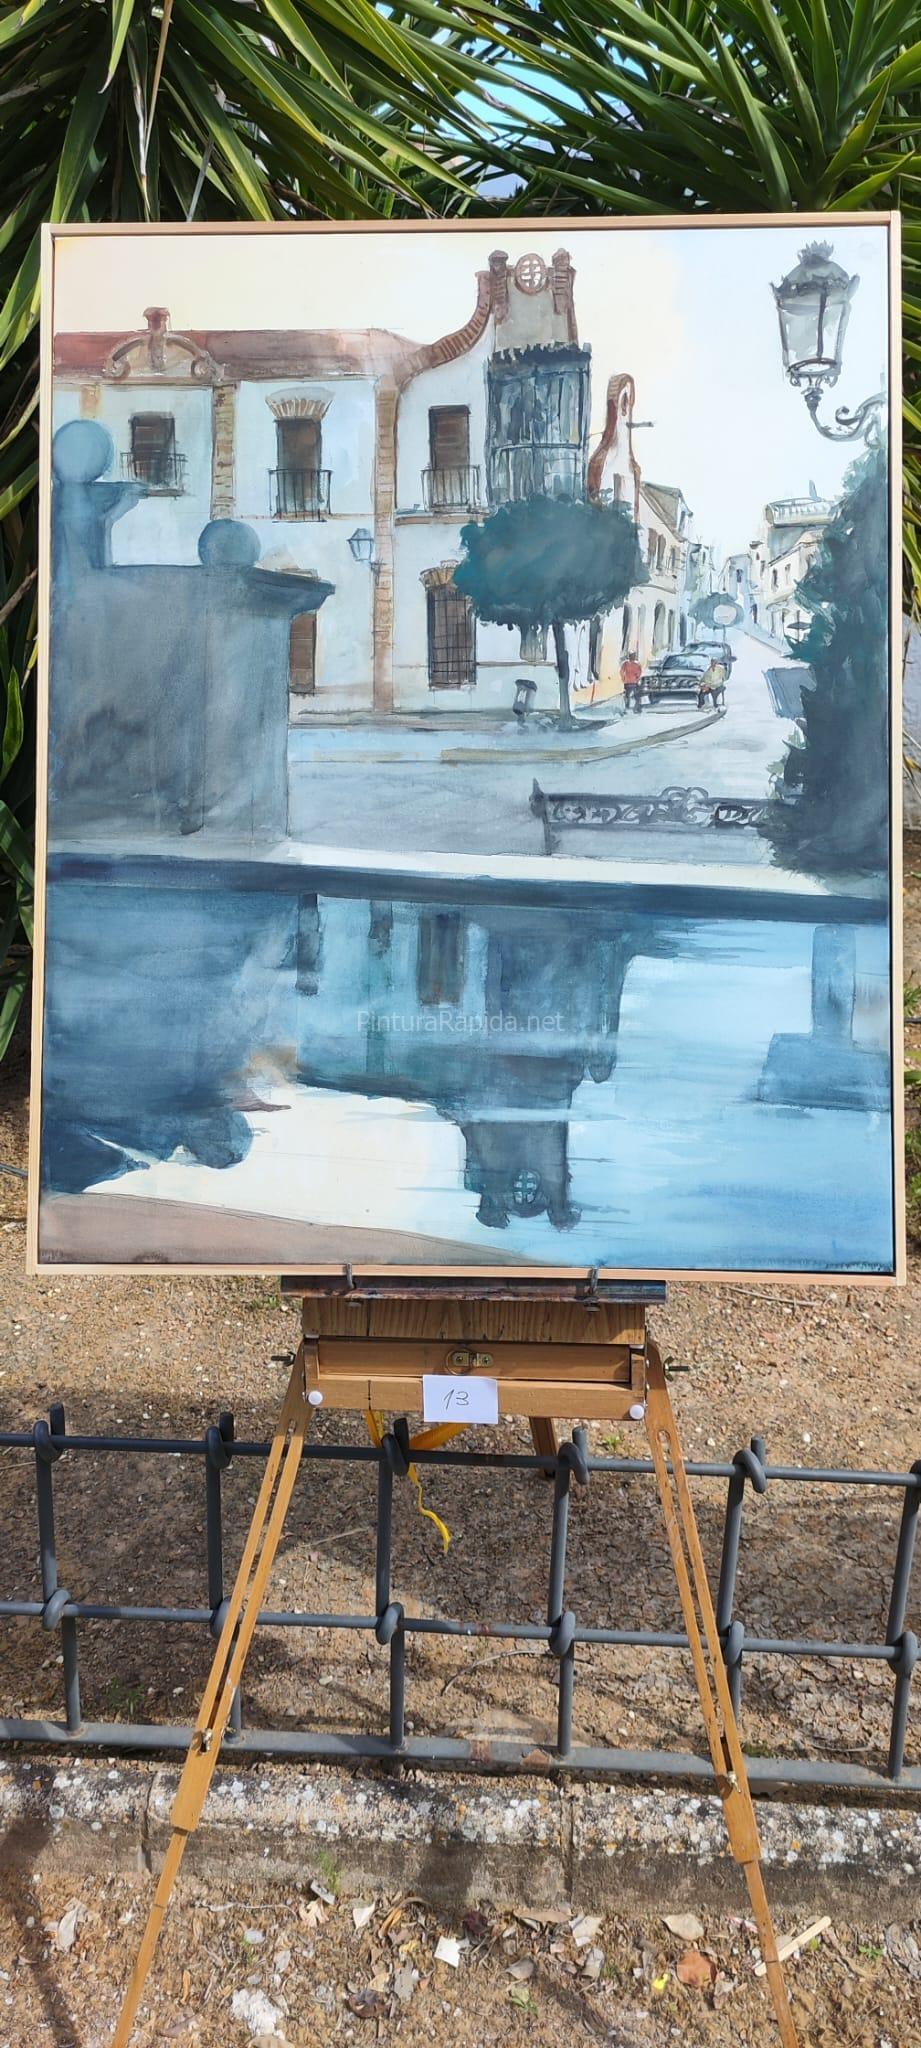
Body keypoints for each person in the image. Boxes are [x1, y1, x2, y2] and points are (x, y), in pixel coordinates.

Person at [620, 649, 643, 713]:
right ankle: (636, 709)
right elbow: (639, 673)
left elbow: (621, 671)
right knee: (637, 697)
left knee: (627, 696)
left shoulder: (625, 663)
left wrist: (623, 678)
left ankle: (627, 707)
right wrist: (637, 679)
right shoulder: (637, 664)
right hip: (634, 683)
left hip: (627, 682)